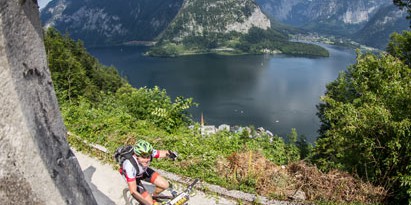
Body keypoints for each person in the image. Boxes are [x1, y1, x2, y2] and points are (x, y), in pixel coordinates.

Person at [121, 139, 177, 205]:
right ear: (136, 155)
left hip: (143, 171)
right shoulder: (129, 166)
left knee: (165, 185)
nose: (147, 160)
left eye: (148, 157)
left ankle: (154, 196)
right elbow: (133, 192)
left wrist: (170, 154)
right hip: (134, 177)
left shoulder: (147, 152)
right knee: (148, 203)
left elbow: (160, 153)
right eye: (143, 157)